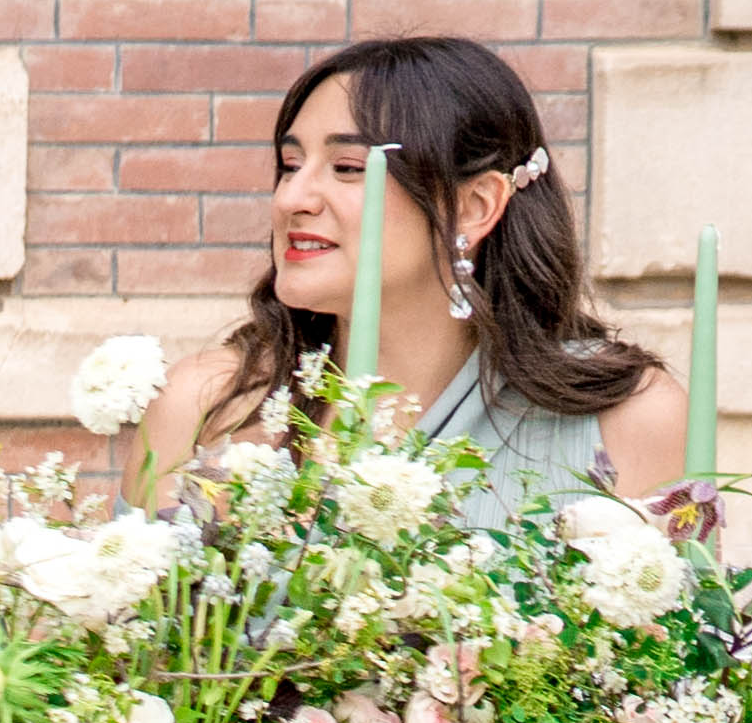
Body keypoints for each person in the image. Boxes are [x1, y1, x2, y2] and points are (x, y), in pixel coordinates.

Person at [127, 34, 679, 505]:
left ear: (474, 206)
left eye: (347, 168)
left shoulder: (624, 421)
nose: (292, 197)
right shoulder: (206, 407)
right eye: (290, 165)